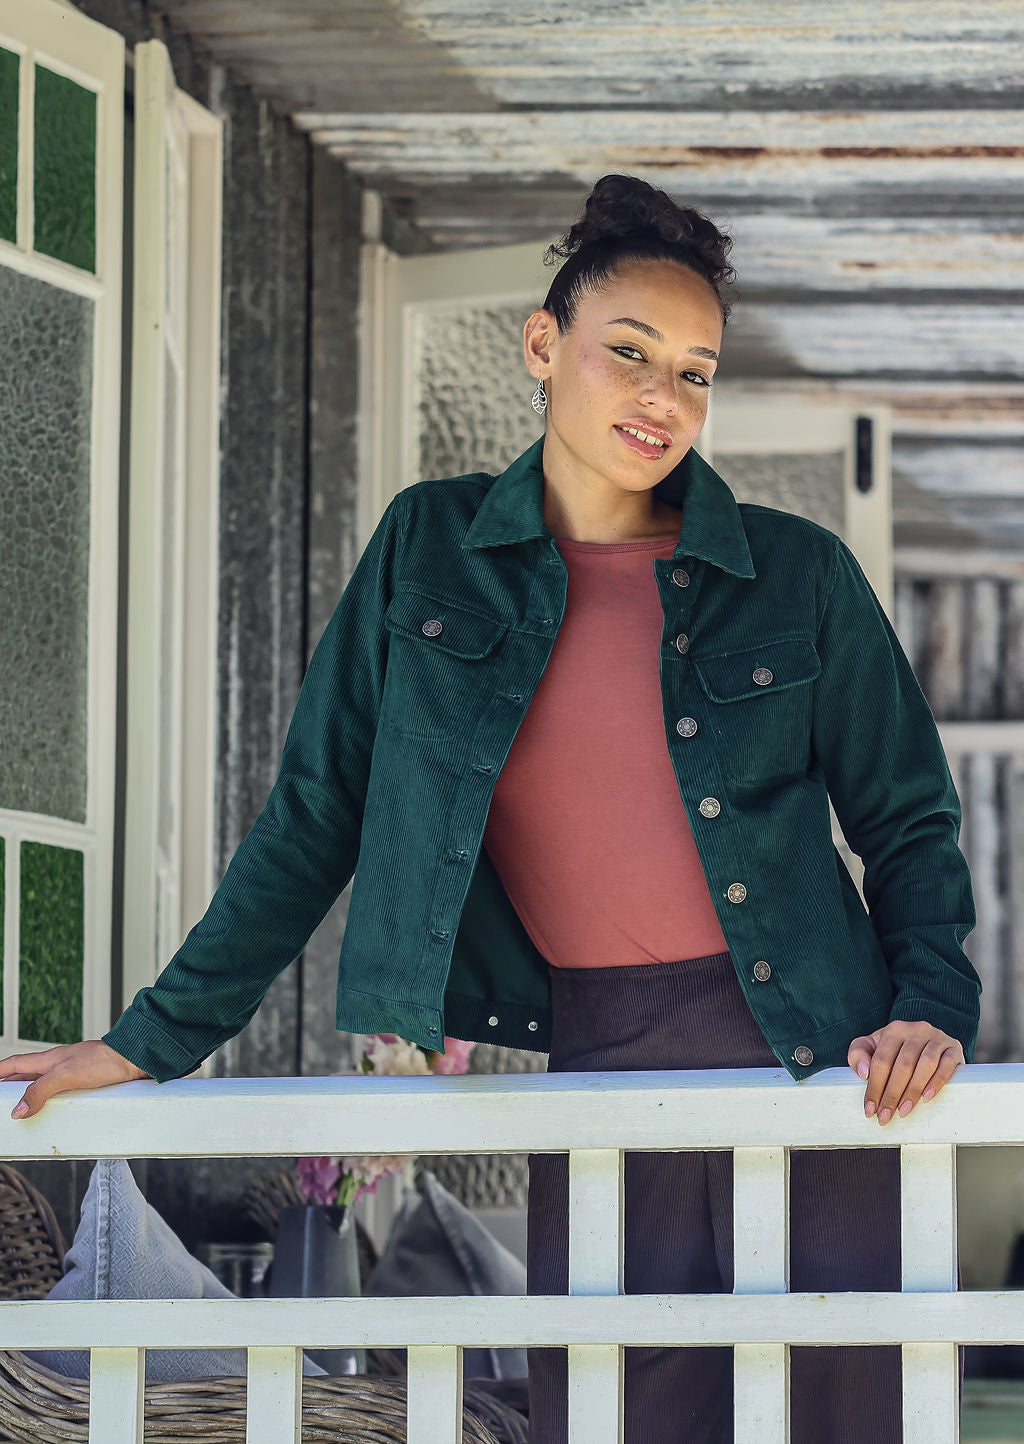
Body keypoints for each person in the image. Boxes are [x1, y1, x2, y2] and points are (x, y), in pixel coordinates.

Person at [0, 173, 981, 1443]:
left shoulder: (798, 575)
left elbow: (907, 819)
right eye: (628, 352)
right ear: (541, 343)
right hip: (599, 1062)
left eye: (693, 371)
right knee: (614, 1413)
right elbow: (313, 814)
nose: (660, 396)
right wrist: (150, 1040)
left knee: (848, 1414)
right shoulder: (427, 549)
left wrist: (927, 1012)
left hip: (824, 1065)